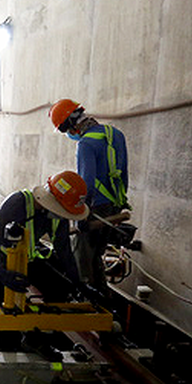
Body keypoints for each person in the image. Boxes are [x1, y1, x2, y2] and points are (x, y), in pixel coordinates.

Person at [0, 171, 91, 359]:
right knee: (6, 310)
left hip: (29, 260)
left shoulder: (58, 215)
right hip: (1, 262)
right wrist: (1, 273)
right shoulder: (17, 203)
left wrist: (79, 283)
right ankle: (8, 351)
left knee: (59, 289)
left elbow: (65, 252)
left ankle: (39, 337)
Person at [49, 99, 130, 290]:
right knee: (97, 257)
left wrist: (80, 215)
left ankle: (86, 302)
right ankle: (103, 299)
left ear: (71, 126)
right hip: (115, 205)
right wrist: (119, 204)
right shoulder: (115, 134)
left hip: (95, 208)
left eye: (64, 130)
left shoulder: (85, 144)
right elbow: (124, 174)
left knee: (82, 258)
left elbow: (87, 185)